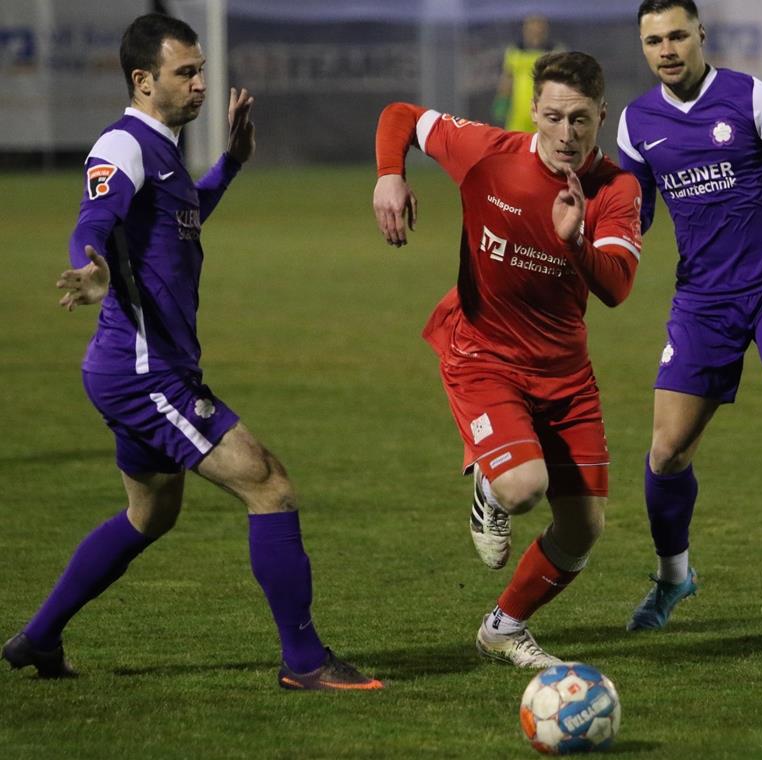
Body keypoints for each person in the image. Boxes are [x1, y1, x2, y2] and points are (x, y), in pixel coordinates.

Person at [1, 14, 380, 691]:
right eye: (186, 72)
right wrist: (88, 268)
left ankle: (39, 638)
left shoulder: (162, 149)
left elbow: (182, 218)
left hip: (136, 368)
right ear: (144, 81)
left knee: (150, 515)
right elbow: (94, 219)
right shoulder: (122, 146)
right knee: (269, 484)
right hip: (143, 372)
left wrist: (230, 164)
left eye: (200, 70)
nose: (202, 83)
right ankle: (306, 662)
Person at [372, 51, 642, 668]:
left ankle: (503, 626)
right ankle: (492, 488)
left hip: (566, 375)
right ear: (534, 112)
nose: (566, 134)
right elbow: (401, 114)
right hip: (482, 355)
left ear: (603, 115)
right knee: (524, 487)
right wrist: (390, 174)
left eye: (580, 120)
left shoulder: (616, 188)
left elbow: (618, 287)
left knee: (583, 530)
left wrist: (575, 240)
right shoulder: (488, 152)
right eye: (553, 117)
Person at [615, 0, 762, 631]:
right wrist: (589, 224)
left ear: (701, 34)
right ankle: (674, 578)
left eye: (676, 36)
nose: (666, 50)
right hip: (702, 299)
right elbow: (634, 216)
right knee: (666, 453)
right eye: (652, 41)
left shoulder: (756, 99)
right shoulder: (636, 124)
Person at [491, 15, 559, 132]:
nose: (535, 32)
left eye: (539, 29)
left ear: (545, 30)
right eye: (531, 29)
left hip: (546, 114)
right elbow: (507, 78)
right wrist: (502, 101)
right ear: (525, 30)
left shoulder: (554, 53)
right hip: (518, 114)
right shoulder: (515, 52)